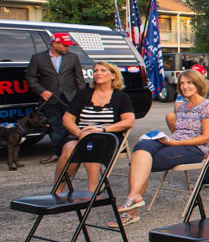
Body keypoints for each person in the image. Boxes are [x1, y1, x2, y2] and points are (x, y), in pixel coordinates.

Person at [113, 69, 209, 228]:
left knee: (140, 162)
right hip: (175, 141)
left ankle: (131, 210)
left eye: (189, 82)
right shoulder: (182, 106)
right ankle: (134, 197)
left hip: (195, 149)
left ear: (198, 84)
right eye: (182, 83)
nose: (185, 86)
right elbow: (179, 131)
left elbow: (206, 138)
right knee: (142, 146)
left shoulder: (207, 106)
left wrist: (175, 143)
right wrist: (168, 139)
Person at [54, 62, 135, 192]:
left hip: (107, 136)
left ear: (113, 75)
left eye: (103, 70)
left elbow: (129, 121)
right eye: (96, 71)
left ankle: (93, 188)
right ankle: (57, 190)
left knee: (90, 141)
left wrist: (101, 130)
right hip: (78, 134)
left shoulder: (121, 97)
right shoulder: (84, 94)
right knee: (69, 151)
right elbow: (67, 119)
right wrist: (80, 133)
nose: (98, 73)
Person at [25, 32, 86, 164]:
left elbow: (79, 79)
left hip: (70, 98)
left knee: (74, 125)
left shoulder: (73, 57)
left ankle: (78, 152)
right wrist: (41, 91)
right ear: (55, 43)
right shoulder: (38, 58)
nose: (67, 48)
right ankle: (57, 153)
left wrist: (82, 97)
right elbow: (30, 78)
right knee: (55, 126)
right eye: (65, 45)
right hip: (50, 99)